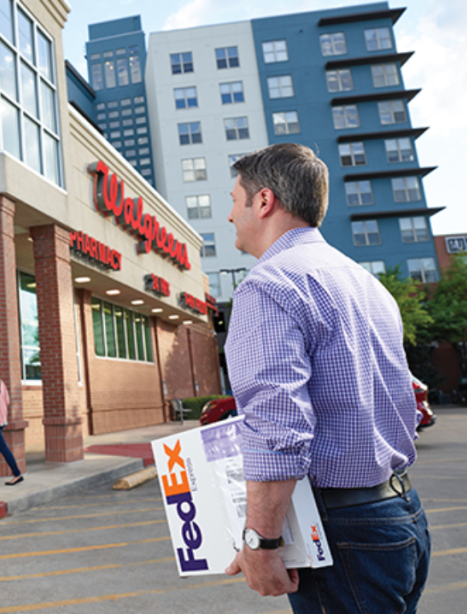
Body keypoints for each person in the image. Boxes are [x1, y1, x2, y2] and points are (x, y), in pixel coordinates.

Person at [222, 143, 429, 613]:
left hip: (344, 533)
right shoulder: (364, 282)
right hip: (400, 513)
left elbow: (278, 430)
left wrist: (260, 542)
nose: (230, 215)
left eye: (235, 200)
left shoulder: (268, 287)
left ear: (264, 201)